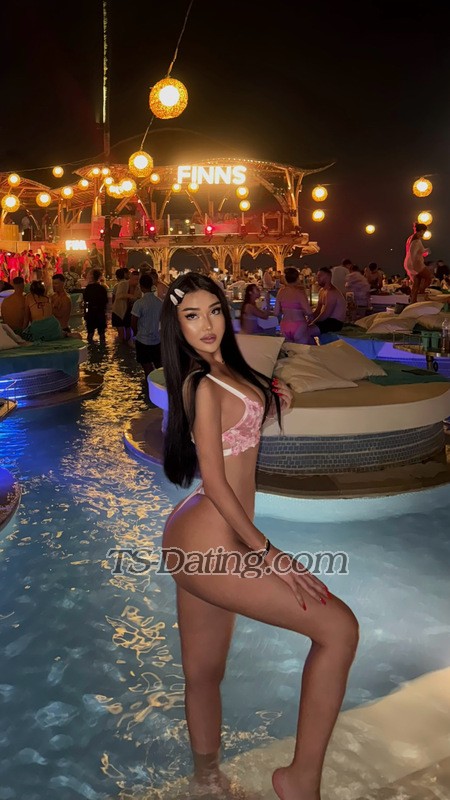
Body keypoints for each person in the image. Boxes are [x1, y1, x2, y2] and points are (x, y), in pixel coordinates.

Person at [160, 272, 358, 798]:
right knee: (339, 630)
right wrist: (268, 553)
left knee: (204, 672)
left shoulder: (226, 370)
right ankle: (298, 780)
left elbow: (235, 437)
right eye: (192, 316)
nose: (207, 324)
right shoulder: (202, 384)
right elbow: (216, 482)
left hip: (203, 535)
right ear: (177, 327)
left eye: (214, 311)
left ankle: (207, 780)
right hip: (208, 544)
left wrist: (270, 405)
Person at [130, 272, 162, 378]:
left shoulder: (139, 303)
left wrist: (135, 334)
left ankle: (148, 385)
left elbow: (133, 322)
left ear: (141, 286)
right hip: (157, 340)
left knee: (147, 368)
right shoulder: (159, 302)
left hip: (143, 340)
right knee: (159, 367)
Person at [274, 266, 313, 343]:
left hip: (285, 325)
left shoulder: (281, 292)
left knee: (289, 349)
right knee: (303, 349)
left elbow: (276, 312)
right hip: (299, 325)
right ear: (297, 278)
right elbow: (309, 312)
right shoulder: (300, 292)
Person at [308, 267, 347, 335]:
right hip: (326, 320)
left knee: (307, 331)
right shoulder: (322, 291)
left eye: (320, 276)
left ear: (328, 277)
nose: (317, 278)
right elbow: (318, 310)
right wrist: (308, 320)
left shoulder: (332, 292)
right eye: (317, 276)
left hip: (335, 322)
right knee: (302, 329)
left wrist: (312, 323)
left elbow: (326, 313)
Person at [404, 222, 433, 304]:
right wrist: (426, 251)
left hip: (409, 263)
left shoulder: (410, 238)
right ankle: (421, 292)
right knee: (429, 277)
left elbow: (415, 252)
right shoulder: (416, 241)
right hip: (415, 263)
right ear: (422, 231)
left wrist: (425, 251)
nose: (423, 234)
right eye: (424, 232)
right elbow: (413, 254)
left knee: (416, 283)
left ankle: (413, 300)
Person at [83, 268, 108, 344]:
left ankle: (90, 348)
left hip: (90, 312)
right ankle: (103, 348)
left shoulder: (88, 288)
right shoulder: (102, 288)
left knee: (90, 333)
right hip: (100, 312)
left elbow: (86, 303)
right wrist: (105, 313)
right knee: (102, 334)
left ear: (92, 276)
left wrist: (86, 313)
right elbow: (105, 302)